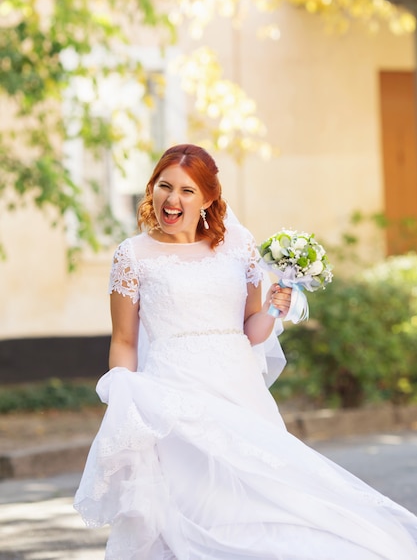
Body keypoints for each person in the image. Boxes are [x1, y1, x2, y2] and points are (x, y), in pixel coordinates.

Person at [74, 144, 417, 560]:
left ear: (208, 198)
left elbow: (252, 330)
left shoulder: (238, 245)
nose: (172, 199)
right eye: (164, 186)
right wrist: (125, 405)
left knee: (265, 495)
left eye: (186, 190)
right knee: (189, 501)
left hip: (239, 386)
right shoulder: (133, 255)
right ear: (152, 190)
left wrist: (275, 306)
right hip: (173, 393)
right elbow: (125, 340)